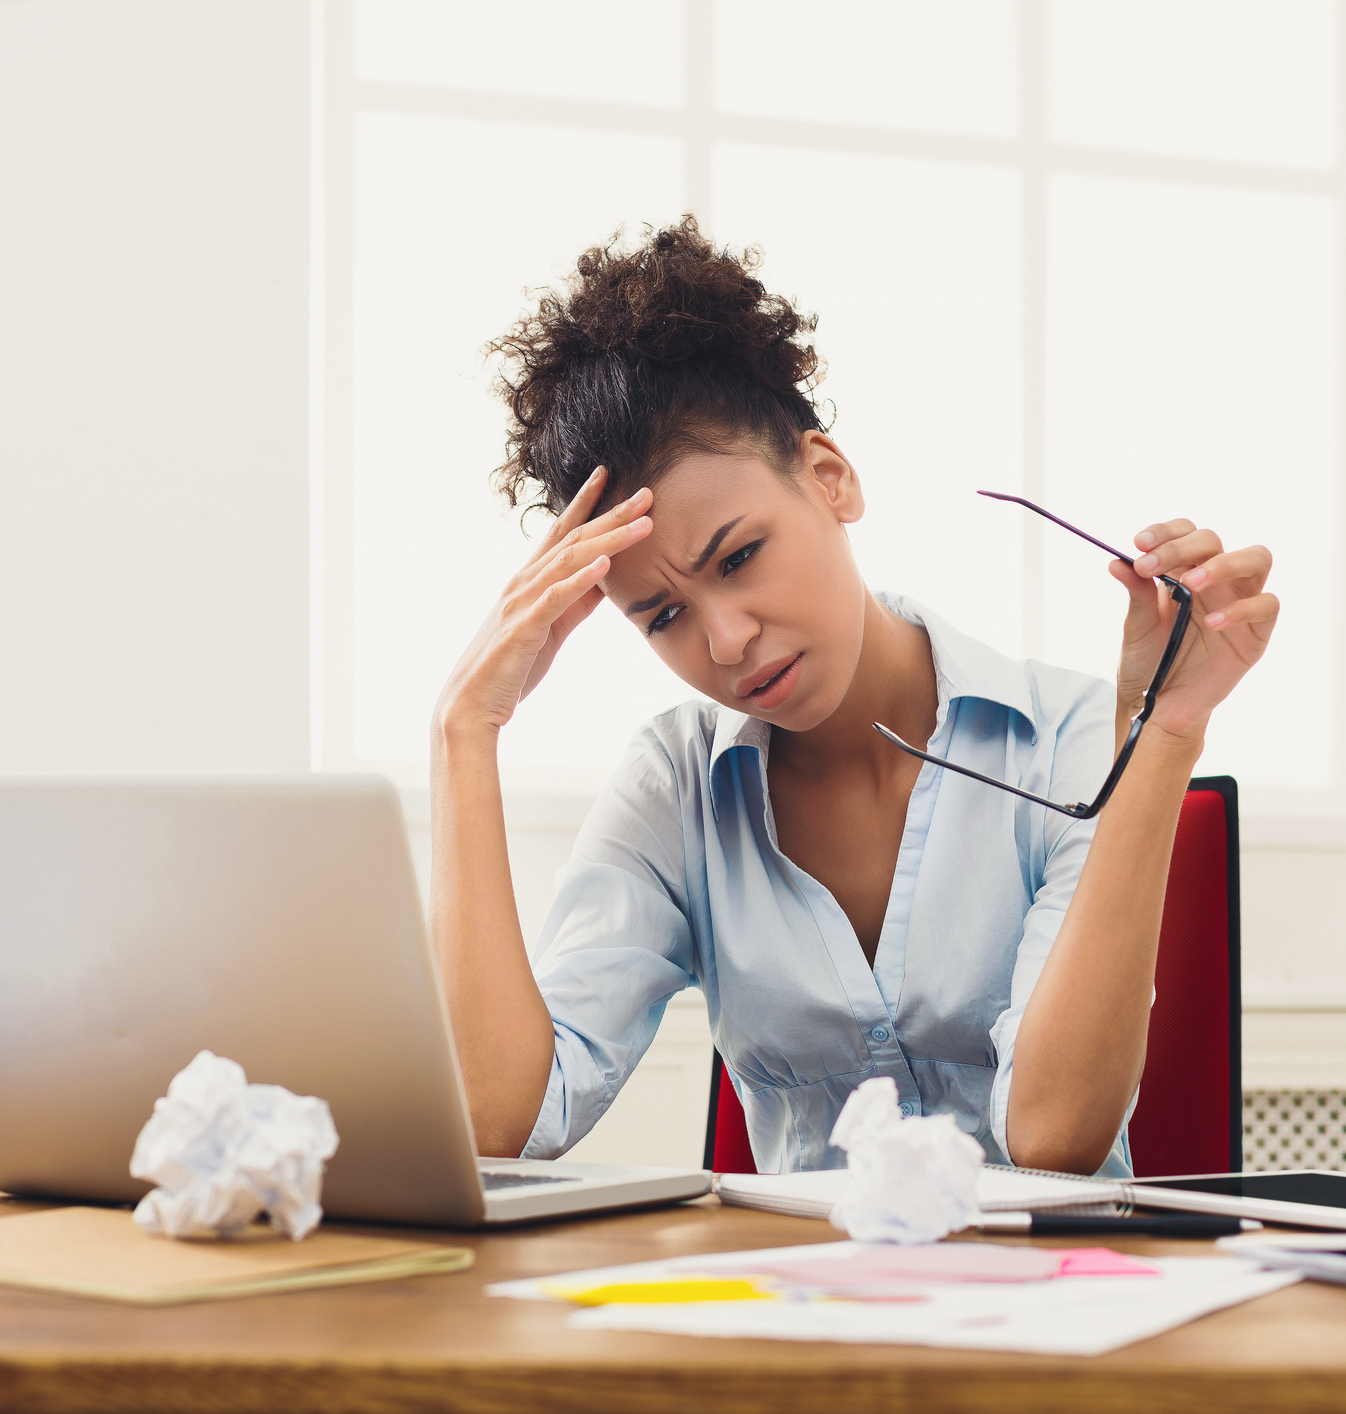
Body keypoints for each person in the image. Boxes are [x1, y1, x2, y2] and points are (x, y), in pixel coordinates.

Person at [429, 217, 1277, 1177]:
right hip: (802, 1313)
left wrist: (1162, 739)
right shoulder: (673, 785)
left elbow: (1053, 1140)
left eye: (740, 557)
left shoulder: (1076, 735)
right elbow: (496, 1122)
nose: (726, 640)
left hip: (1052, 1304)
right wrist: (466, 732)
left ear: (828, 479)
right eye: (662, 617)